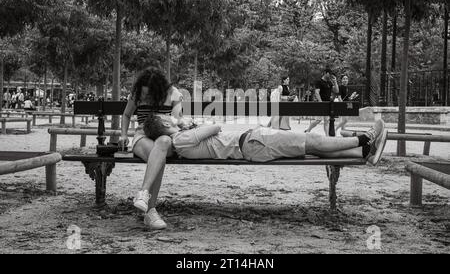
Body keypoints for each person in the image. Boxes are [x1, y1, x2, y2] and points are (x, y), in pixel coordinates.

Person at [144, 114, 387, 166]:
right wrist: (189, 124)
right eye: (169, 117)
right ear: (165, 125)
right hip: (253, 143)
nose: (173, 116)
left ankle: (364, 154)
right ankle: (366, 139)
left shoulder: (180, 142)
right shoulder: (181, 138)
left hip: (252, 145)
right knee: (312, 139)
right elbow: (215, 126)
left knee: (313, 149)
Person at [118, 68, 184, 230]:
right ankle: (151, 211)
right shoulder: (137, 93)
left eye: (149, 95)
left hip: (165, 135)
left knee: (162, 143)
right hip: (142, 136)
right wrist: (123, 134)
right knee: (158, 158)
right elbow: (127, 114)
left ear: (159, 90)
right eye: (144, 95)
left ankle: (144, 193)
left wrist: (164, 121)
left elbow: (176, 120)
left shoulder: (173, 94)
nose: (145, 97)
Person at [304, 68, 339, 136]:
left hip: (327, 103)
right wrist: (321, 103)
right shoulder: (319, 81)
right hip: (321, 104)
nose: (330, 76)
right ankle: (308, 130)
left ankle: (327, 136)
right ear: (326, 73)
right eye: (330, 74)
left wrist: (335, 82)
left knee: (326, 121)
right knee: (318, 120)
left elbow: (337, 91)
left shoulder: (329, 82)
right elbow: (317, 93)